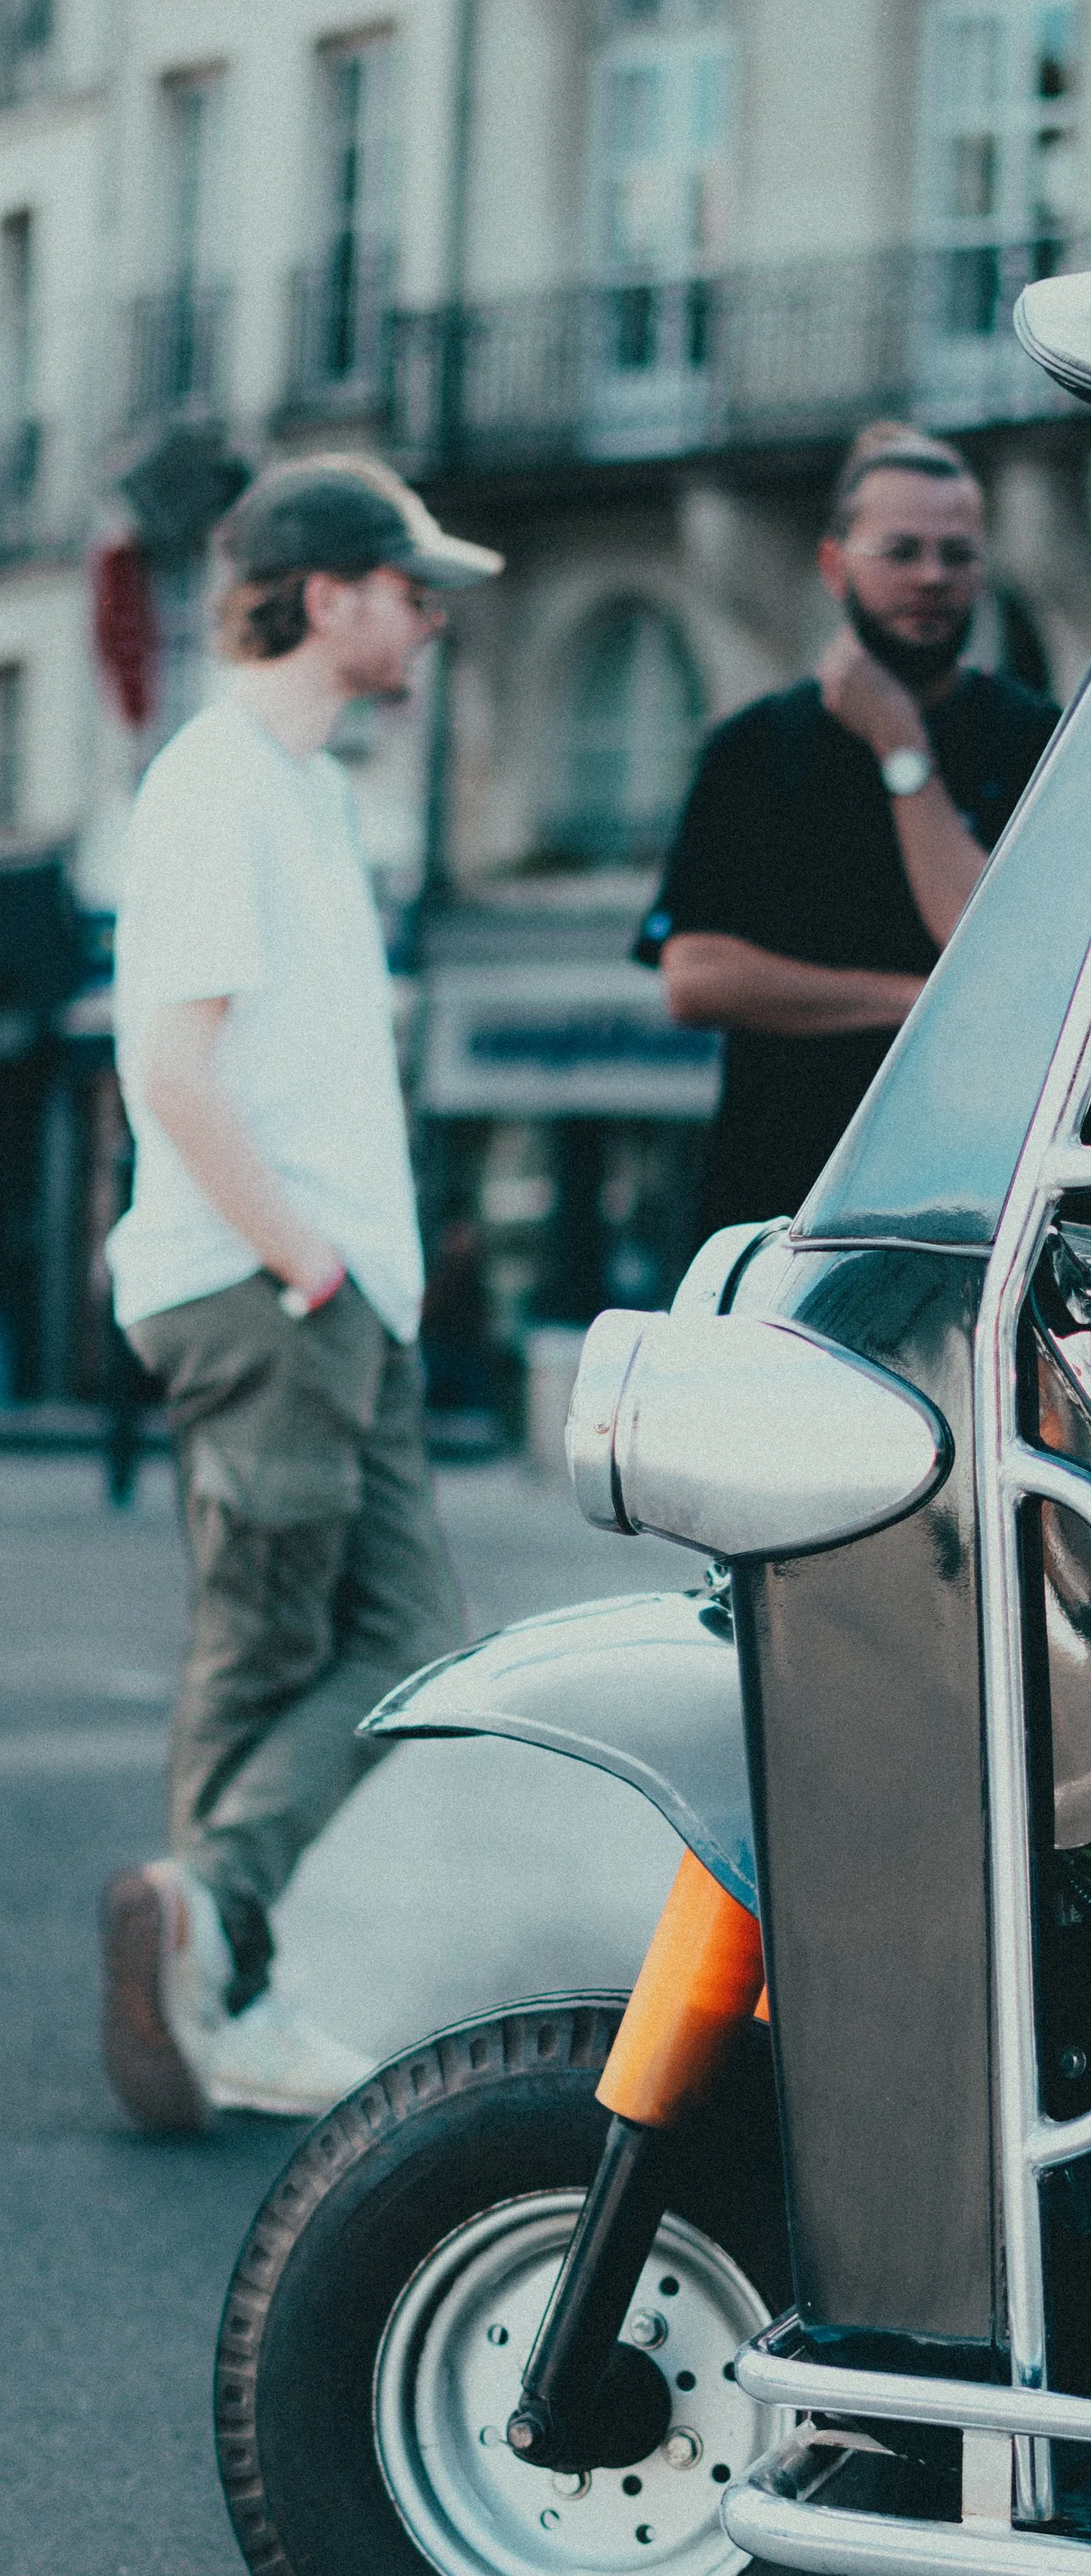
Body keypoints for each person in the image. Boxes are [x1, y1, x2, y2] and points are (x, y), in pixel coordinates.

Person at [98, 455, 503, 2133]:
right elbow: (168, 1069)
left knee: (407, 1641)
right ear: (326, 596)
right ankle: (223, 1982)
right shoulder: (217, 785)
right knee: (266, 1647)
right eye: (411, 591)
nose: (430, 621)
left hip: (342, 1296)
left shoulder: (309, 792)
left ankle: (206, 1931)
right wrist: (305, 1262)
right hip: (273, 1289)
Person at [637, 421, 1060, 1235]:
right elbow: (695, 978)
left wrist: (902, 749)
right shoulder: (756, 747)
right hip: (780, 1201)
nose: (932, 577)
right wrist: (919, 1002)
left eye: (958, 555)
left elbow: (993, 957)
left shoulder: (1038, 741)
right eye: (901, 552)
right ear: (835, 566)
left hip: (974, 1202)